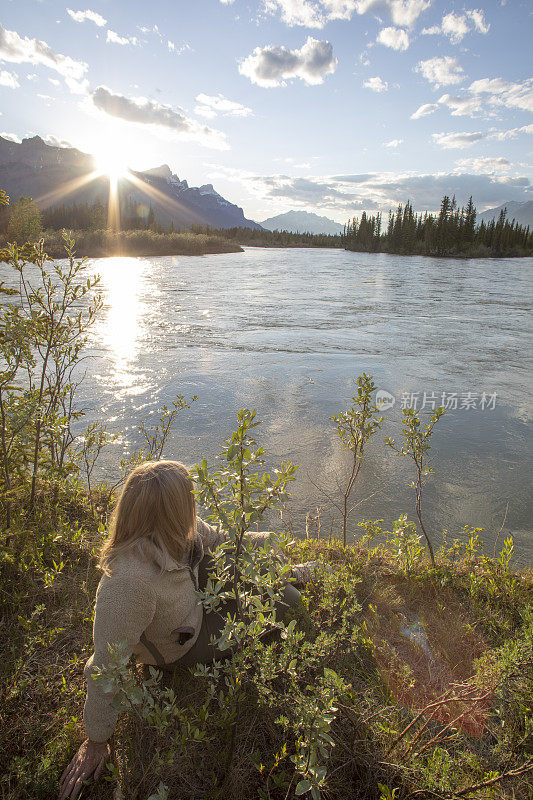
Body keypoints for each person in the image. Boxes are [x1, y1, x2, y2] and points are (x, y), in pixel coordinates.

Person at [58, 460, 307, 800]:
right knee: (288, 600)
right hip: (183, 644)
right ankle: (290, 578)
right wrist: (96, 740)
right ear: (172, 511)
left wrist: (269, 542)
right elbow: (105, 666)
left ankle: (288, 570)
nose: (195, 505)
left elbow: (218, 538)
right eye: (189, 499)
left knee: (255, 562)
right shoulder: (129, 584)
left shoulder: (178, 531)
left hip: (188, 591)